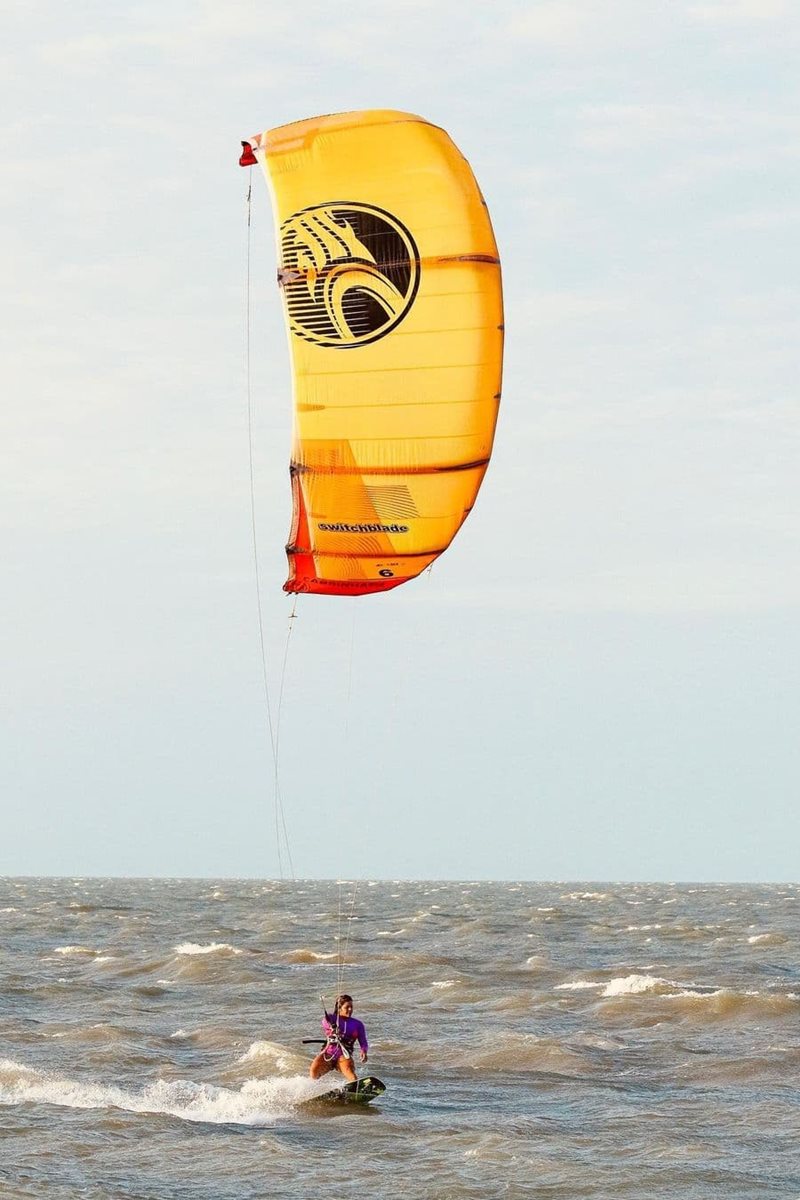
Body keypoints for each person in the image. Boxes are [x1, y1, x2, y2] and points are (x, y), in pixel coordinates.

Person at [309, 994, 368, 1084]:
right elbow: (325, 1021)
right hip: (328, 1054)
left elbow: (363, 1041)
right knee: (313, 1073)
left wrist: (364, 1051)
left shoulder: (358, 1024)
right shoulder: (331, 1018)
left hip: (343, 1055)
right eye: (347, 1007)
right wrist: (332, 1026)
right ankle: (312, 1093)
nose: (350, 1009)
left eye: (351, 1007)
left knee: (352, 1076)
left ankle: (356, 1090)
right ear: (339, 1008)